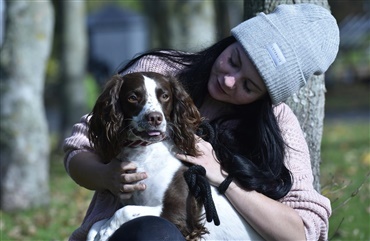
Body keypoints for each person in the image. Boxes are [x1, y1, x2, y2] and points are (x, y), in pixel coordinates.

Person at [63, 3, 339, 241]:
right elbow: (80, 146)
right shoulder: (161, 72)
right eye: (233, 61)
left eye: (249, 86)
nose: (229, 81)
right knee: (153, 232)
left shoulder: (279, 124)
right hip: (131, 234)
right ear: (230, 42)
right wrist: (106, 176)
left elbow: (302, 232)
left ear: (265, 97)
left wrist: (220, 175)